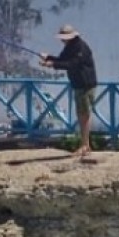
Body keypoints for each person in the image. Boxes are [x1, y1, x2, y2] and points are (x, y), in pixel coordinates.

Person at [41, 24, 98, 161]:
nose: (62, 40)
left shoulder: (81, 47)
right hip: (78, 84)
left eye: (64, 37)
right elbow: (62, 60)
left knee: (84, 114)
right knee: (81, 113)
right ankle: (85, 145)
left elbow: (72, 64)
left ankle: (85, 145)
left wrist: (53, 64)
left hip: (85, 84)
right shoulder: (70, 47)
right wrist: (49, 58)